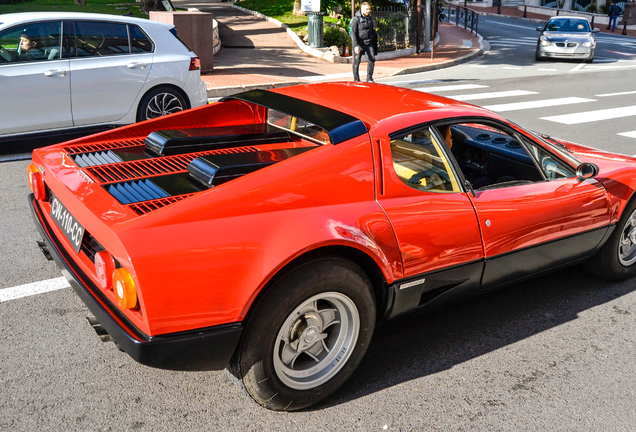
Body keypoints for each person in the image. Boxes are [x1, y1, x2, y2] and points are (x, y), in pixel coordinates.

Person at [351, 2, 378, 83]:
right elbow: (353, 33)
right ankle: (356, 79)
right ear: (362, 9)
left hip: (368, 43)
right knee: (357, 60)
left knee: (371, 59)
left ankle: (369, 78)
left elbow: (371, 30)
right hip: (359, 44)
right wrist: (355, 45)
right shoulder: (356, 19)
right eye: (367, 9)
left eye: (369, 9)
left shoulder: (369, 18)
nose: (368, 11)